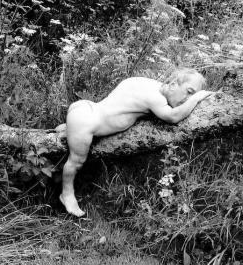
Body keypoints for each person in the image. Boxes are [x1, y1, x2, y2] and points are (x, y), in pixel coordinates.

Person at [57, 69, 214, 216]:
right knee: (76, 161)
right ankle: (67, 194)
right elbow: (173, 116)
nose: (188, 99)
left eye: (193, 95)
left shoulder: (148, 84)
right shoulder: (155, 98)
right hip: (86, 122)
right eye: (189, 92)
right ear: (173, 85)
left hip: (86, 108)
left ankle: (68, 129)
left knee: (82, 129)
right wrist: (197, 98)